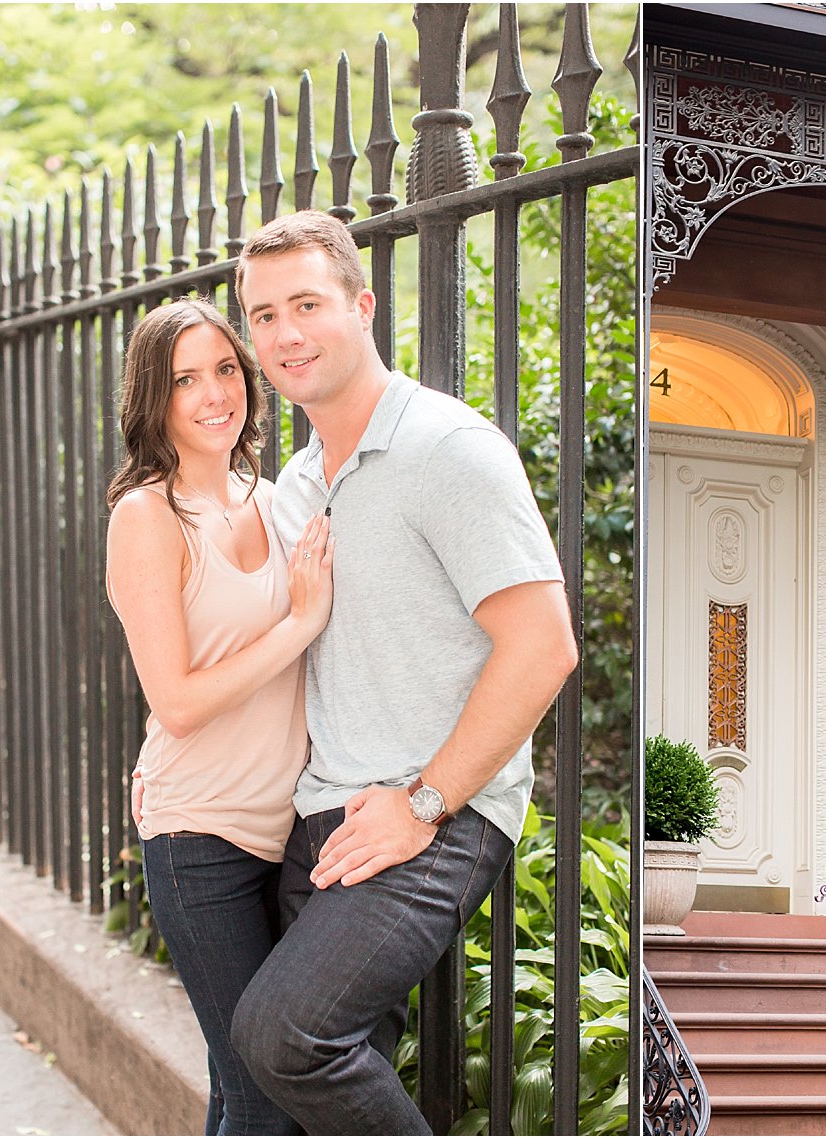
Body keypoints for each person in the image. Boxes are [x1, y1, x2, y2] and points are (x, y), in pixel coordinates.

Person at [227, 210, 577, 1135]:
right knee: (314, 1078)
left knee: (283, 1034)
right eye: (264, 316)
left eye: (307, 303)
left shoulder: (448, 449)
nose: (285, 333)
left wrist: (424, 803)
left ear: (363, 305)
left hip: (437, 812)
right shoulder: (298, 482)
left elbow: (544, 644)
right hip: (323, 812)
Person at [106, 297, 333, 1135]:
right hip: (197, 835)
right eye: (185, 379)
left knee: (242, 1090)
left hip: (288, 834)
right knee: (264, 1097)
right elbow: (177, 700)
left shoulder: (274, 500)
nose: (213, 394)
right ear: (153, 399)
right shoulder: (147, 517)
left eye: (226, 369)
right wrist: (297, 623)